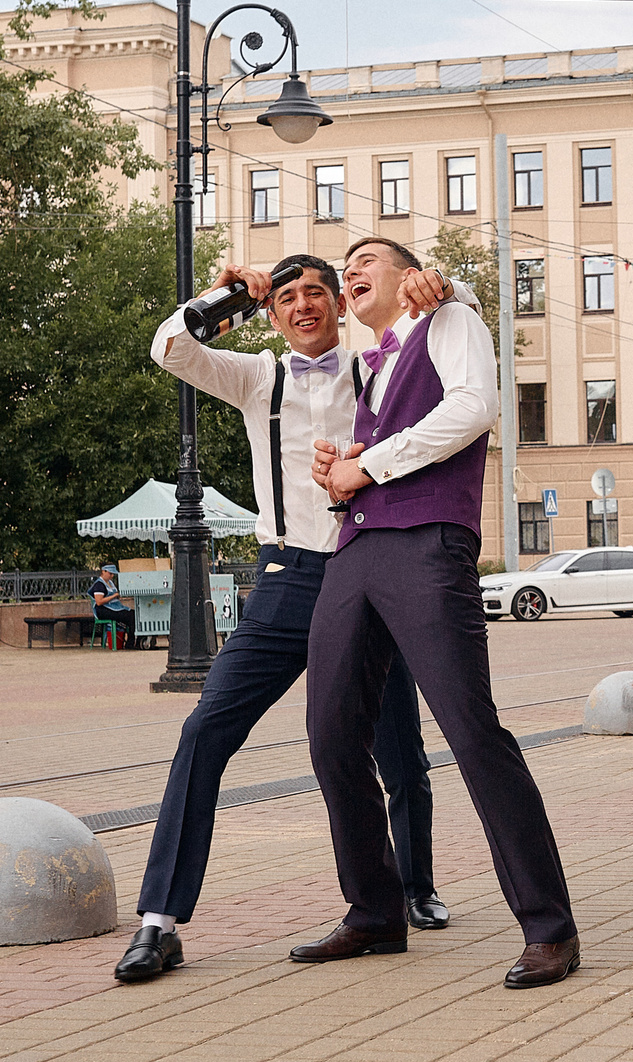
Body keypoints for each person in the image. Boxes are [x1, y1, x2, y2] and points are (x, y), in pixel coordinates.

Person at [110, 254, 463, 986]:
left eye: (317, 294)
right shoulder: (257, 377)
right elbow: (169, 345)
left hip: (371, 568)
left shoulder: (378, 366)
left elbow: (445, 349)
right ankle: (159, 921)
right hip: (287, 577)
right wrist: (228, 296)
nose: (304, 306)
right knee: (206, 728)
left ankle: (412, 885)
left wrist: (438, 288)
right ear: (274, 315)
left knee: (397, 746)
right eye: (289, 297)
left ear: (340, 304)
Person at [307, 237, 580, 990]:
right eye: (346, 264)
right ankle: (374, 910)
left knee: (470, 729)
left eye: (367, 259)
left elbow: (474, 406)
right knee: (330, 730)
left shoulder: (449, 315)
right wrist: (342, 475)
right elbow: (384, 449)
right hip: (357, 546)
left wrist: (374, 462)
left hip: (427, 543)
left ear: (410, 274)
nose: (350, 270)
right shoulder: (374, 362)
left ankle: (549, 927)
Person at [89, 562, 134, 649]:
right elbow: (99, 602)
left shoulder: (110, 583)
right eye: (110, 573)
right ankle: (130, 643)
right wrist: (114, 596)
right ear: (103, 571)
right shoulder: (99, 585)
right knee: (130, 616)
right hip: (103, 611)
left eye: (113, 574)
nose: (112, 576)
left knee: (134, 614)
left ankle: (135, 641)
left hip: (113, 608)